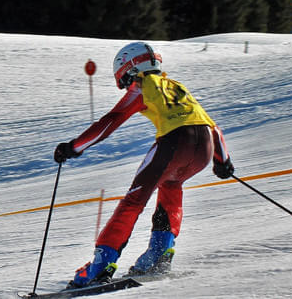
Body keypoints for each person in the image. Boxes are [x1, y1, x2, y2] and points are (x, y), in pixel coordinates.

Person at [54, 42, 234, 288]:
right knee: (172, 185)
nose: (125, 85)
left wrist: (73, 147)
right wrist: (223, 161)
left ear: (129, 68)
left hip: (174, 143)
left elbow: (111, 121)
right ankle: (159, 254)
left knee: (133, 200)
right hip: (204, 146)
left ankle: (100, 265)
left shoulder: (142, 86)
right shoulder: (177, 87)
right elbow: (213, 127)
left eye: (123, 78)